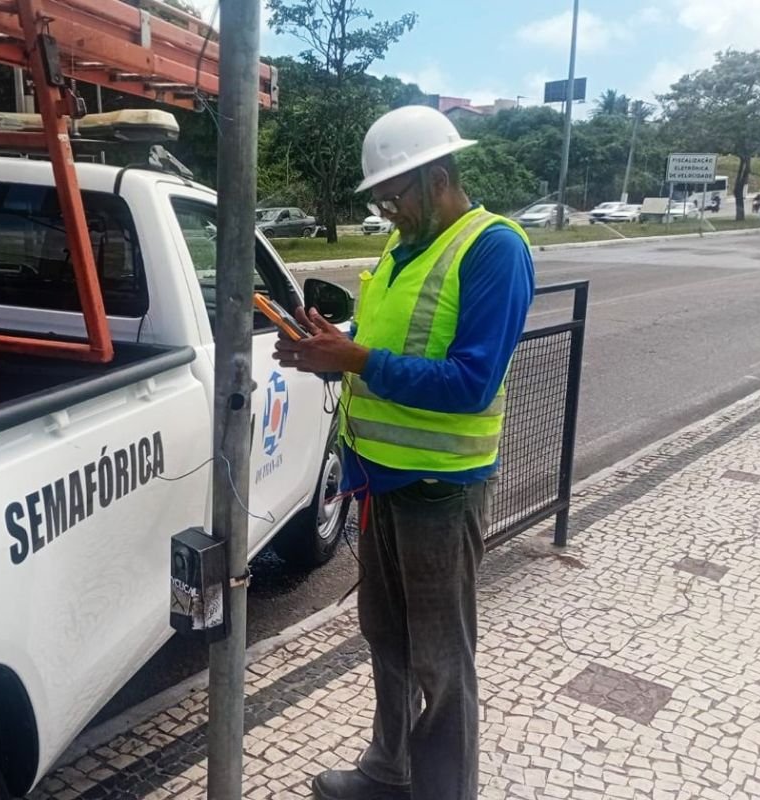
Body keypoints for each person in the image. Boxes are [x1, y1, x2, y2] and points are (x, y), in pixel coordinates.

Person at [273, 105, 535, 800]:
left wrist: (356, 355)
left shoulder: (493, 248)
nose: (388, 210)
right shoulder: (402, 247)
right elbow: (386, 341)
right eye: (381, 199)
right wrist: (329, 348)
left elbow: (472, 382)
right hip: (381, 481)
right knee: (385, 638)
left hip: (441, 490)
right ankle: (389, 771)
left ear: (439, 178)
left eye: (396, 195)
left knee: (442, 663)